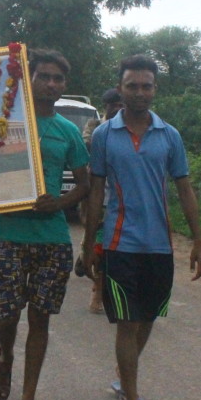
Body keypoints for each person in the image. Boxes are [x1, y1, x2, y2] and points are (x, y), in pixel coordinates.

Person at [82, 54, 201, 400]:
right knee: (127, 322)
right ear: (120, 88)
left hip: (159, 246)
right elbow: (97, 191)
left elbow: (184, 188)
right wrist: (89, 243)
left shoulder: (169, 136)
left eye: (146, 85)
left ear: (155, 89)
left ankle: (123, 376)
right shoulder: (104, 135)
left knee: (148, 319)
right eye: (132, 85)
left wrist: (199, 241)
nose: (139, 92)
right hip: (119, 243)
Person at [0, 49, 89, 400]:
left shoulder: (67, 131)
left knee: (41, 318)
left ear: (64, 85)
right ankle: (6, 353)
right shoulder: (3, 125)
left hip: (52, 240)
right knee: (7, 315)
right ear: (27, 80)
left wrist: (57, 204)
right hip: (8, 235)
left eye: (58, 79)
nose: (51, 84)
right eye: (43, 76)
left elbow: (84, 184)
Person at [83, 87, 123, 314]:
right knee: (99, 246)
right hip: (101, 193)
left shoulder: (134, 128)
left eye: (121, 105)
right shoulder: (96, 127)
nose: (117, 108)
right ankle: (97, 289)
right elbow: (86, 143)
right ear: (105, 106)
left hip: (124, 199)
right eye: (113, 105)